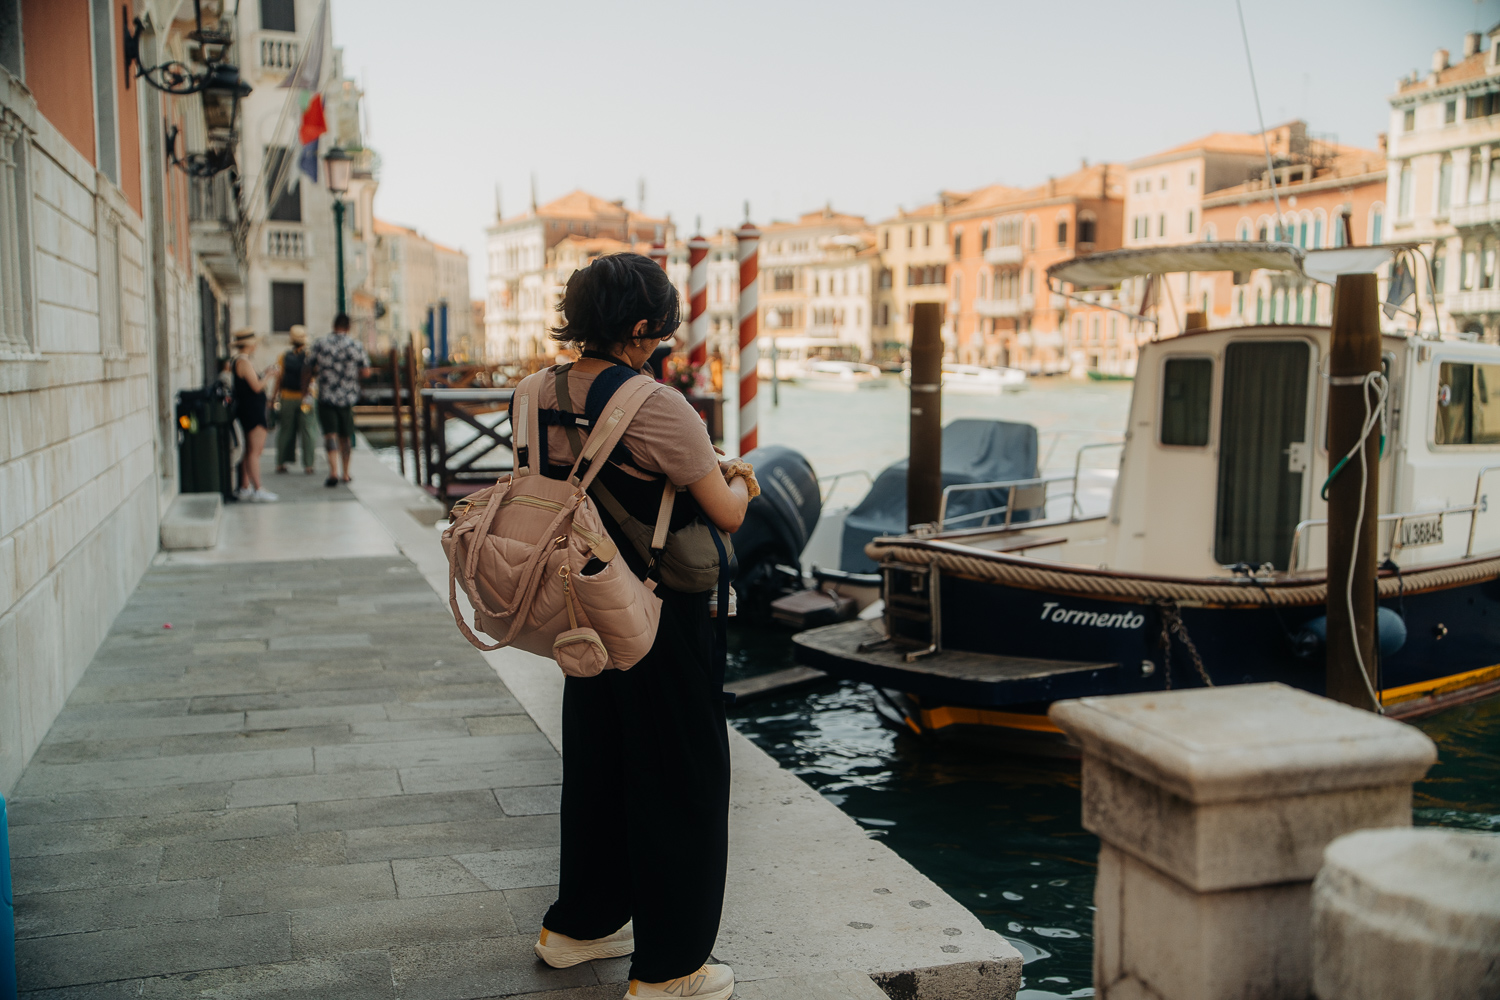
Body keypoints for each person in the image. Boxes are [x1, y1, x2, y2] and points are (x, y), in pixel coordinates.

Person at [527, 253, 753, 1000]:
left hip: (578, 607)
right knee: (682, 780)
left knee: (599, 766)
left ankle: (578, 929)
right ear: (638, 326)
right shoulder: (658, 405)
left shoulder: (532, 393)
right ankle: (670, 969)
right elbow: (722, 511)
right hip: (658, 614)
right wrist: (742, 482)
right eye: (659, 323)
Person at [308, 312, 371, 487]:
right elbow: (366, 371)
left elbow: (309, 366)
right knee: (346, 436)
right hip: (347, 397)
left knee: (330, 435)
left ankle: (333, 471)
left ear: (333, 325)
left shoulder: (321, 344)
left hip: (326, 396)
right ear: (348, 327)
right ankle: (346, 473)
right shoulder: (355, 345)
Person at [229, 329, 278, 503]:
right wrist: (269, 375)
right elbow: (257, 386)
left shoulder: (241, 361)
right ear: (249, 344)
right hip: (252, 411)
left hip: (249, 409)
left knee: (249, 451)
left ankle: (244, 486)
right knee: (255, 451)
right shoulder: (243, 361)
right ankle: (258, 488)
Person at [273, 325, 317, 475]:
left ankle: (281, 463)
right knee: (308, 430)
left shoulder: (283, 357)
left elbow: (279, 379)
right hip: (306, 399)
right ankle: (309, 465)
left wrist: (273, 398)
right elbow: (314, 378)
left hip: (287, 398)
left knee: (285, 430)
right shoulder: (310, 357)